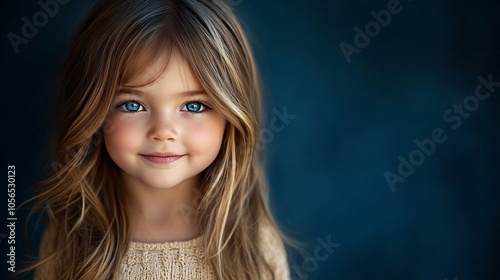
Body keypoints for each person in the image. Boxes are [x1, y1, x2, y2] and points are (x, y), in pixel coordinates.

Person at [21, 0, 291, 279]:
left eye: (194, 106)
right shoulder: (69, 241)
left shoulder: (254, 247)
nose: (163, 131)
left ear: (231, 117)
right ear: (94, 114)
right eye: (132, 105)